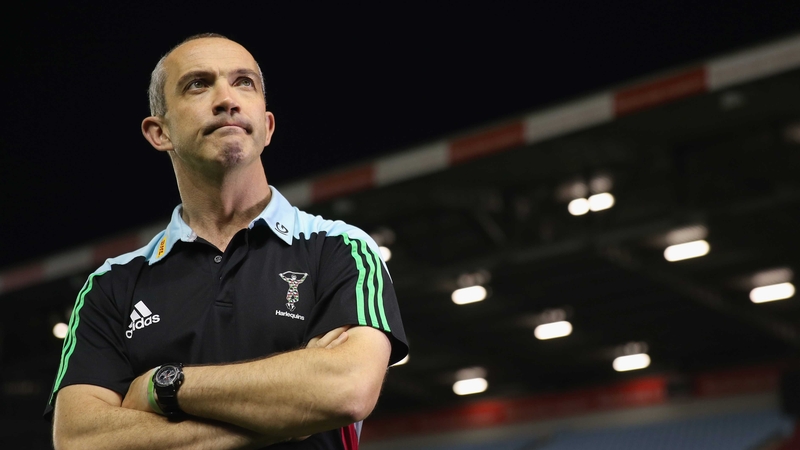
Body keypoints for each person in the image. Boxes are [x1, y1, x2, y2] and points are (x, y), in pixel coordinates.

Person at [45, 33, 408, 450]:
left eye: (244, 82)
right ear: (158, 132)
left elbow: (345, 390)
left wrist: (163, 385)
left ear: (267, 126)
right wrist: (286, 413)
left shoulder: (342, 248)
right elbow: (79, 440)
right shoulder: (109, 285)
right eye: (198, 84)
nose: (227, 99)